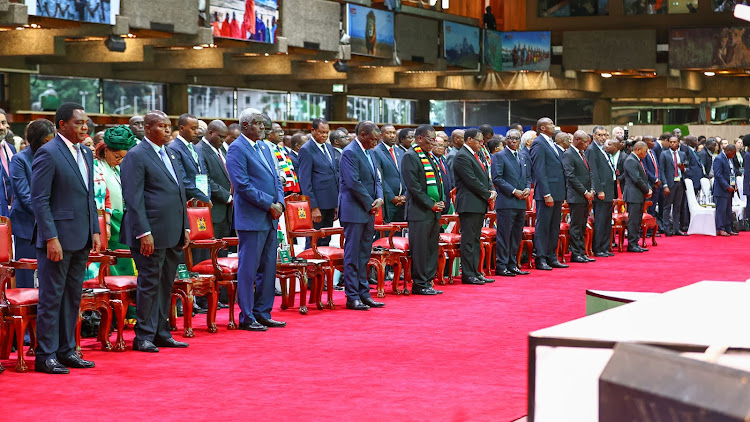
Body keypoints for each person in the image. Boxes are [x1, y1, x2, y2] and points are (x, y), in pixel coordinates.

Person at [32, 102, 101, 373]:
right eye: (78, 123)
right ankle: (45, 355)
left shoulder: (85, 153)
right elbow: (40, 200)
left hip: (81, 235)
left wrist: (94, 229)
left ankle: (67, 349)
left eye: (86, 123)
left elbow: (88, 196)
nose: (85, 127)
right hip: (57, 239)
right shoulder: (48, 153)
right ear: (62, 124)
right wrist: (51, 237)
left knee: (72, 296)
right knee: (51, 298)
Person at [120, 110, 190, 352]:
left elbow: (179, 191)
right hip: (149, 233)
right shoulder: (136, 155)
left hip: (172, 230)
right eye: (162, 126)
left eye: (169, 125)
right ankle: (143, 336)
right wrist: (142, 232)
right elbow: (133, 197)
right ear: (148, 129)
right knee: (150, 282)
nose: (168, 130)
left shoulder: (170, 153)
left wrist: (186, 226)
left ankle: (161, 331)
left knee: (166, 283)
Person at [225, 110, 286, 330]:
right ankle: (247, 316)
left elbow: (276, 178)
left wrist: (280, 203)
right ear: (246, 125)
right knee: (249, 269)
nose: (263, 128)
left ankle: (263, 312)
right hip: (252, 218)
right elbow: (241, 185)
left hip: (270, 217)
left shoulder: (264, 147)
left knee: (268, 268)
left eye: (263, 124)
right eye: (258, 124)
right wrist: (269, 204)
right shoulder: (237, 149)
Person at [338, 121, 385, 310]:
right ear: (363, 135)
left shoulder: (370, 152)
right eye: (373, 139)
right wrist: (370, 203)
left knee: (364, 254)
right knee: (352, 255)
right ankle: (352, 296)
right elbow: (353, 182)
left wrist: (379, 198)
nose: (375, 143)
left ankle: (364, 293)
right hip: (354, 210)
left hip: (369, 210)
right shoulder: (349, 152)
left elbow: (377, 179)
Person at [10, 119, 55, 287]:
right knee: (26, 278)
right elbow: (25, 196)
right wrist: (48, 214)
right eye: (46, 142)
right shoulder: (19, 160)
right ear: (35, 140)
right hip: (27, 226)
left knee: (50, 278)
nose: (50, 145)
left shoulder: (54, 157)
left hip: (52, 226)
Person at [401, 124, 444, 295]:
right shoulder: (410, 156)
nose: (433, 143)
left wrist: (441, 201)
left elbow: (440, 182)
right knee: (420, 249)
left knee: (431, 247)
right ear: (419, 139)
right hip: (419, 211)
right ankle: (419, 283)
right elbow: (413, 187)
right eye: (430, 140)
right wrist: (430, 203)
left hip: (434, 211)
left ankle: (428, 280)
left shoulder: (430, 156)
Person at [454, 128, 496, 285]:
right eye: (479, 140)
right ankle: (468, 274)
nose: (482, 143)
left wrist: (491, 189)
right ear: (469, 140)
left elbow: (486, 176)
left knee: (475, 239)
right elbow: (470, 180)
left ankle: (477, 271)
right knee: (469, 240)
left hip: (478, 203)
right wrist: (487, 193)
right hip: (469, 203)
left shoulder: (478, 155)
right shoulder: (462, 156)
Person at [530, 117, 568, 270]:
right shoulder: (538, 143)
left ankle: (551, 255)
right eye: (550, 124)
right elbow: (539, 170)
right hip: (546, 192)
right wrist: (546, 193)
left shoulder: (551, 143)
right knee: (544, 225)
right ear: (542, 128)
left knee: (554, 226)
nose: (554, 126)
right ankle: (540, 258)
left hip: (557, 191)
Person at [491, 129, 531, 277]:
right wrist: (514, 191)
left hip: (521, 202)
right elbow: (497, 178)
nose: (513, 141)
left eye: (516, 138)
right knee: (504, 235)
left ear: (520, 140)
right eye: (510, 138)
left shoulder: (522, 156)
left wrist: (527, 188)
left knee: (516, 235)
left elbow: (527, 176)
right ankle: (501, 265)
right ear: (505, 140)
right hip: (507, 201)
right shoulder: (499, 156)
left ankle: (512, 264)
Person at [298, 118, 339, 249]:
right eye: (321, 132)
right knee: (314, 241)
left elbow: (334, 175)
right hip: (318, 205)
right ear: (313, 131)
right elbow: (305, 181)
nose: (325, 135)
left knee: (326, 238)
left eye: (327, 132)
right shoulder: (306, 149)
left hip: (330, 203)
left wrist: (336, 204)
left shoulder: (329, 147)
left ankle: (323, 269)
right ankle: (311, 268)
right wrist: (313, 207)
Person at [197, 120, 233, 252]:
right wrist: (227, 197)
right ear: (210, 132)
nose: (223, 140)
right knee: (211, 252)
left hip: (225, 211)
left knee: (222, 251)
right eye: (220, 136)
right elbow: (205, 179)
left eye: (225, 137)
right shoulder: (200, 150)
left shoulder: (221, 150)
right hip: (214, 208)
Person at [562, 130, 595, 263]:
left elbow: (589, 173)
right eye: (584, 142)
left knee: (582, 225)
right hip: (576, 195)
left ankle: (582, 252)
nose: (587, 144)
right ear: (576, 140)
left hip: (586, 195)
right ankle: (576, 253)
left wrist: (591, 189)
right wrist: (584, 192)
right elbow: (570, 176)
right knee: (576, 226)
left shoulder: (583, 154)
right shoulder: (568, 154)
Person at [586, 127, 616, 258]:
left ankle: (605, 247)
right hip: (601, 191)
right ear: (594, 136)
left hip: (608, 190)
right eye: (599, 135)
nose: (602, 137)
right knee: (600, 220)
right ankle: (598, 248)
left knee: (606, 220)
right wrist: (599, 190)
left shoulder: (603, 149)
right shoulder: (592, 150)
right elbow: (593, 172)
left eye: (604, 135)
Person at [168, 113, 210, 203]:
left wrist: (207, 195)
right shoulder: (173, 148)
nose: (196, 132)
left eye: (197, 128)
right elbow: (182, 179)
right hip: (187, 201)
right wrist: (203, 197)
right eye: (193, 128)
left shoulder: (196, 148)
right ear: (182, 128)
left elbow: (204, 174)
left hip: (203, 197)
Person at [623, 141, 653, 252]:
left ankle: (635, 242)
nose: (645, 154)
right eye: (645, 152)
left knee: (637, 220)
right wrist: (647, 190)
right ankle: (632, 244)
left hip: (638, 194)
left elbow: (643, 177)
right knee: (633, 220)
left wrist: (648, 188)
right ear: (638, 149)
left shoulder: (637, 160)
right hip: (633, 194)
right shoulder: (631, 160)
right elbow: (636, 179)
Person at [373, 124, 405, 223]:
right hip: (388, 201)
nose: (392, 135)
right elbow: (379, 177)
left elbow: (405, 174)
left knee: (400, 234)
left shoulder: (400, 151)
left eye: (393, 133)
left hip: (403, 201)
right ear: (381, 136)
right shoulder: (376, 151)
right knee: (386, 234)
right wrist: (392, 198)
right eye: (388, 133)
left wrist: (405, 196)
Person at [659, 136, 688, 236]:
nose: (672, 144)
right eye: (671, 142)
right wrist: (665, 185)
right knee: (667, 207)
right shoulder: (664, 154)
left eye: (674, 142)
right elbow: (661, 170)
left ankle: (676, 229)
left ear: (678, 143)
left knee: (677, 207)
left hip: (680, 182)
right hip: (669, 183)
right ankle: (667, 229)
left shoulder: (682, 154)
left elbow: (687, 169)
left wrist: (683, 168)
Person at [713, 143, 738, 236]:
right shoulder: (719, 159)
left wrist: (733, 185)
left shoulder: (729, 159)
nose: (734, 156)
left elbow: (732, 173)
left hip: (729, 189)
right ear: (728, 151)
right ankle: (720, 228)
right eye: (733, 153)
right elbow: (718, 175)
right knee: (721, 211)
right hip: (721, 190)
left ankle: (728, 228)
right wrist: (727, 186)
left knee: (728, 210)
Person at [641, 135, 662, 235]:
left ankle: (652, 228)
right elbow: (645, 169)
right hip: (649, 184)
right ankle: (647, 230)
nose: (654, 143)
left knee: (653, 208)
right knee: (647, 208)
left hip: (656, 184)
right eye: (652, 141)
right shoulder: (643, 154)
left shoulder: (653, 152)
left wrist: (659, 179)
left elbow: (657, 167)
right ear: (645, 142)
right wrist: (655, 180)